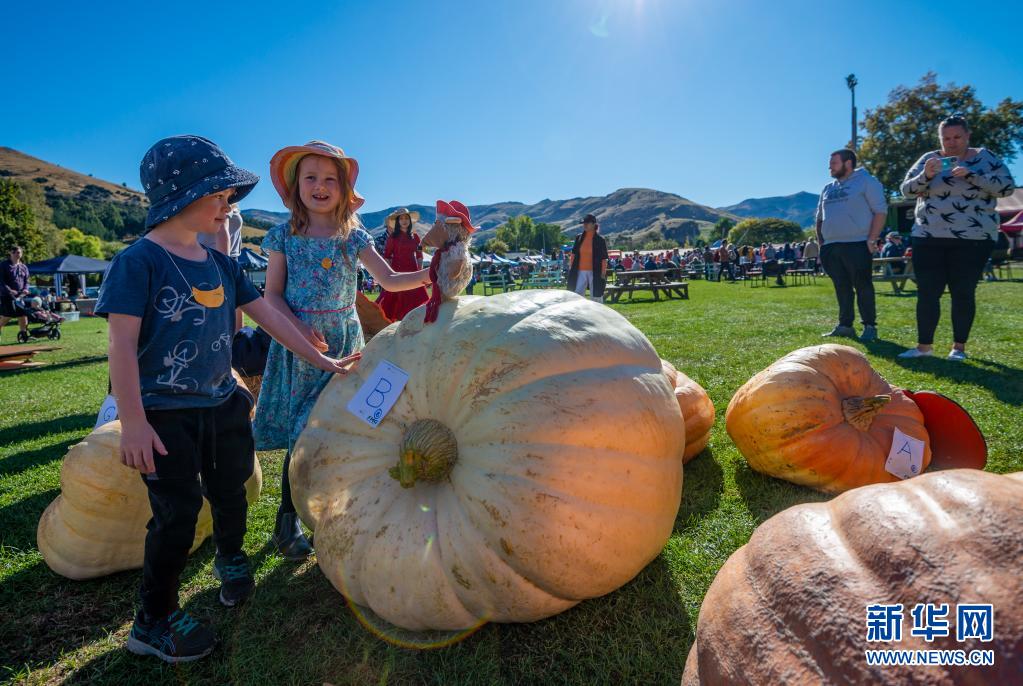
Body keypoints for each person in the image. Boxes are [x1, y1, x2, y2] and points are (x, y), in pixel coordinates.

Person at [97, 135, 358, 664]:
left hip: (223, 402)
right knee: (176, 514)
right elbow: (121, 347)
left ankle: (231, 559)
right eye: (218, 196)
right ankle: (152, 620)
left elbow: (270, 318)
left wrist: (321, 358)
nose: (228, 206)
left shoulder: (221, 265)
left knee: (232, 491)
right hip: (162, 414)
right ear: (183, 197)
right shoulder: (138, 262)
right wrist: (133, 423)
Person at [254, 141, 431, 558]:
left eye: (330, 179)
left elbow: (389, 281)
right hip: (300, 345)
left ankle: (336, 506)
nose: (320, 186)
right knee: (302, 431)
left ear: (344, 188)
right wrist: (298, 327)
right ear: (296, 186)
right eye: (311, 177)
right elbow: (272, 295)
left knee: (343, 426)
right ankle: (286, 520)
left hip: (347, 344)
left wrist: (432, 273)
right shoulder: (283, 237)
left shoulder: (353, 237)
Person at [897, 115, 1017, 360]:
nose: (951, 143)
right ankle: (924, 347)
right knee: (927, 292)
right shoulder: (929, 159)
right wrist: (926, 175)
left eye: (957, 137)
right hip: (928, 235)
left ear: (968, 135)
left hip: (973, 238)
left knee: (963, 291)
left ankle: (958, 348)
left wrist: (972, 175)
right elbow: (906, 190)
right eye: (946, 138)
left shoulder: (985, 157)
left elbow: (1007, 188)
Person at [816, 148, 887, 342]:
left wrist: (872, 239)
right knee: (841, 287)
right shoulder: (827, 188)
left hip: (857, 243)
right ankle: (845, 325)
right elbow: (820, 219)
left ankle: (869, 326)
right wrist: (822, 244)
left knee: (863, 286)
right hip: (831, 246)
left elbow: (880, 211)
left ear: (848, 163)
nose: (830, 168)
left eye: (834, 164)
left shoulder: (867, 181)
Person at [376, 208, 429, 320]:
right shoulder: (392, 238)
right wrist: (389, 273)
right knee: (394, 301)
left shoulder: (416, 237)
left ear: (410, 220)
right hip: (397, 272)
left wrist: (419, 272)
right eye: (401, 219)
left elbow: (419, 255)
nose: (404, 221)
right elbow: (387, 256)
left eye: (406, 218)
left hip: (413, 271)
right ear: (397, 221)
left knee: (418, 299)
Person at [198, 203, 244, 331]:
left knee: (236, 302)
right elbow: (222, 231)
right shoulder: (219, 203)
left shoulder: (230, 203)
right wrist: (225, 268)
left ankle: (237, 338)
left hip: (229, 258)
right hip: (216, 259)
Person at [567, 214, 608, 302]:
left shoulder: (600, 240)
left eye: (587, 223)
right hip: (579, 271)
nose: (584, 225)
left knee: (596, 296)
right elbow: (573, 254)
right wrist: (571, 268)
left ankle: (598, 310)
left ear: (593, 224)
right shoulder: (579, 238)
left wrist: (603, 273)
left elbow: (604, 258)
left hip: (596, 272)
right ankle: (578, 310)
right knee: (576, 295)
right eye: (583, 223)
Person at [1, 245, 30, 340]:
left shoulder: (23, 267)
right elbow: (1, 281)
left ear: (21, 254)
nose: (17, 254)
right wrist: (10, 291)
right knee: (8, 315)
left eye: (18, 252)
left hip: (21, 295)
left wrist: (26, 289)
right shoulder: (3, 265)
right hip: (7, 295)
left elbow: (27, 281)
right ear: (10, 253)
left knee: (23, 314)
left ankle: (23, 334)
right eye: (14, 252)